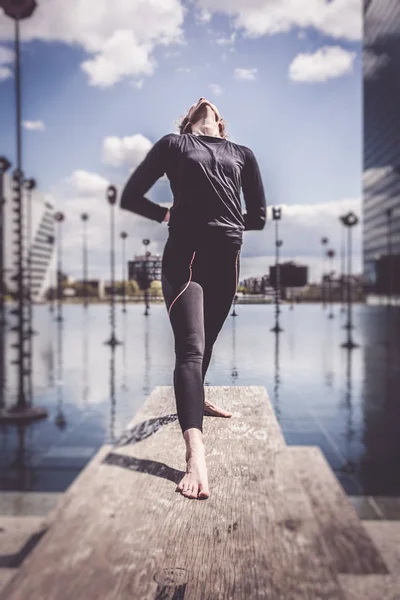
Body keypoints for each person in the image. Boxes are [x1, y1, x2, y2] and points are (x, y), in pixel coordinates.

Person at [120, 97, 266, 500]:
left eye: (213, 107)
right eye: (195, 107)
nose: (204, 101)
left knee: (207, 344)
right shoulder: (174, 144)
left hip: (227, 258)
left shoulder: (242, 154)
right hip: (185, 255)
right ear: (189, 122)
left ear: (222, 123)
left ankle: (196, 399)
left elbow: (258, 216)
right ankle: (195, 455)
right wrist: (167, 215)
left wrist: (227, 221)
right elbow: (131, 196)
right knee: (190, 349)